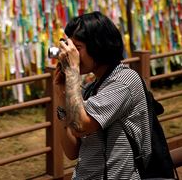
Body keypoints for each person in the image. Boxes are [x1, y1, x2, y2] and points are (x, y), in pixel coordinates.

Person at [54, 11, 151, 179]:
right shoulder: (92, 88)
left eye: (76, 48)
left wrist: (72, 75)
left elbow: (81, 125)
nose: (70, 55)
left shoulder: (124, 81)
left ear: (98, 46)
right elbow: (71, 151)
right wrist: (62, 95)